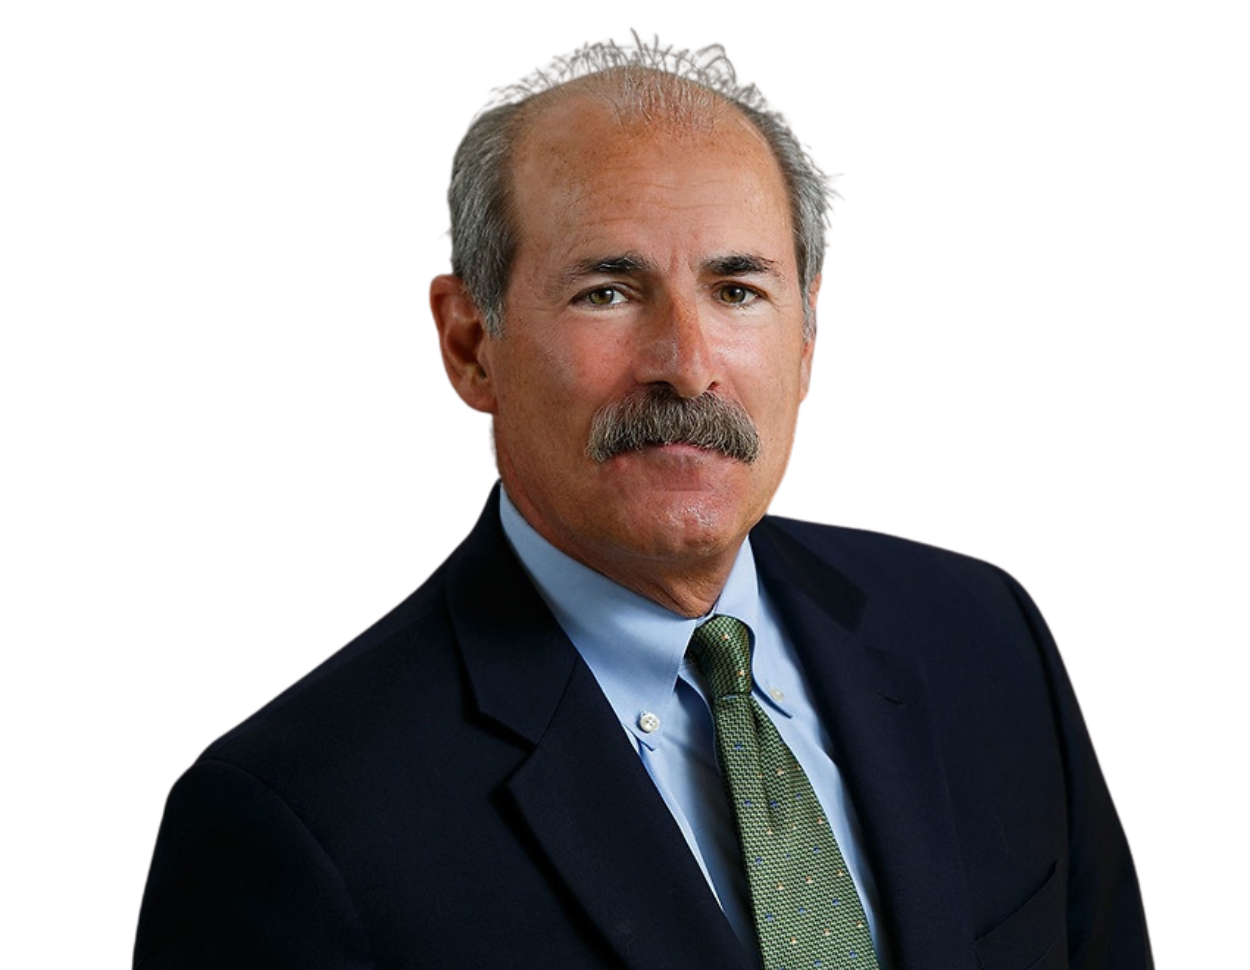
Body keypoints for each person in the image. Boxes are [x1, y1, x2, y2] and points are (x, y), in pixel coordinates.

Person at [134, 30, 1152, 969]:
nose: (686, 365)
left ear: (807, 336)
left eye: (737, 290)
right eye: (608, 292)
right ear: (468, 344)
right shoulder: (299, 820)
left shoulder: (985, 636)